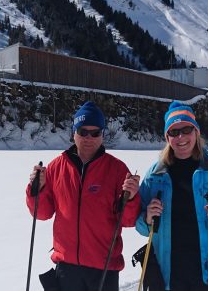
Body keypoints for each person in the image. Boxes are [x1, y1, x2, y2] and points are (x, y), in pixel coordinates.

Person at [26, 101, 141, 291]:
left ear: (102, 134)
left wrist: (131, 197)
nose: (89, 138)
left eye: (95, 133)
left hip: (104, 268)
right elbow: (42, 213)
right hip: (67, 267)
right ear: (74, 132)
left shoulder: (117, 169)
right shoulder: (56, 167)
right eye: (83, 132)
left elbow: (128, 220)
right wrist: (36, 188)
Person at [135, 101, 208, 291]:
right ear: (167, 137)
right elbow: (141, 225)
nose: (181, 137)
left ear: (196, 132)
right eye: (174, 132)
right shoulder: (155, 174)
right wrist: (146, 217)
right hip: (168, 273)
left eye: (186, 129)